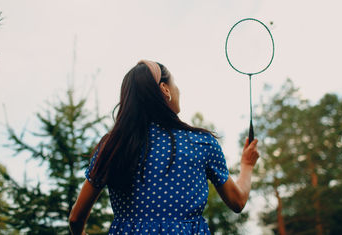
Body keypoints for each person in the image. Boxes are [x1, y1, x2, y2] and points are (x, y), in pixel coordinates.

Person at [69, 60, 259, 234]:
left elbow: (76, 218)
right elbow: (238, 201)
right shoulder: (201, 143)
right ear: (165, 89)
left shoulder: (113, 146)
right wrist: (247, 165)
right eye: (175, 84)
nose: (179, 91)